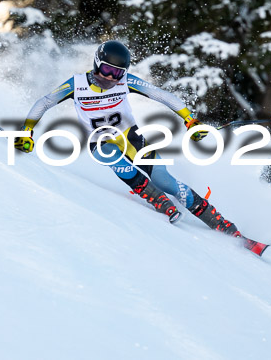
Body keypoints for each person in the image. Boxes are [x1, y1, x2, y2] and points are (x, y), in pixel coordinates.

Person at [14, 40, 246, 239]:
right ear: (96, 63)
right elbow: (45, 102)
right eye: (105, 69)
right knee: (117, 162)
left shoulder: (126, 82)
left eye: (116, 73)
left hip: (131, 138)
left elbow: (160, 95)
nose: (109, 77)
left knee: (166, 181)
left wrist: (190, 120)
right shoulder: (77, 84)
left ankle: (220, 223)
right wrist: (27, 131)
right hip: (100, 142)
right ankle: (158, 201)